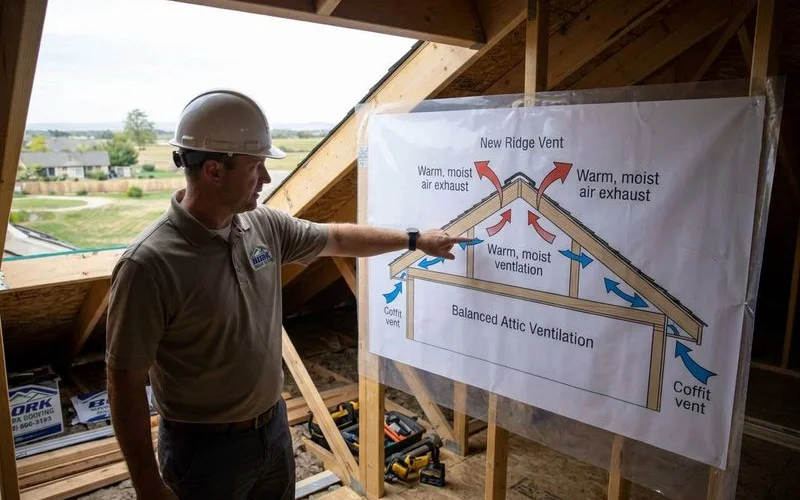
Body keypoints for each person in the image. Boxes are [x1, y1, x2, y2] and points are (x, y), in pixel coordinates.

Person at [105, 89, 468, 500]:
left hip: (273, 430)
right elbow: (125, 381)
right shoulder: (148, 265)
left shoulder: (262, 226)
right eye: (256, 166)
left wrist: (415, 239)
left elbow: (336, 238)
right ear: (213, 171)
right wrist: (147, 484)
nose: (266, 178)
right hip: (203, 453)